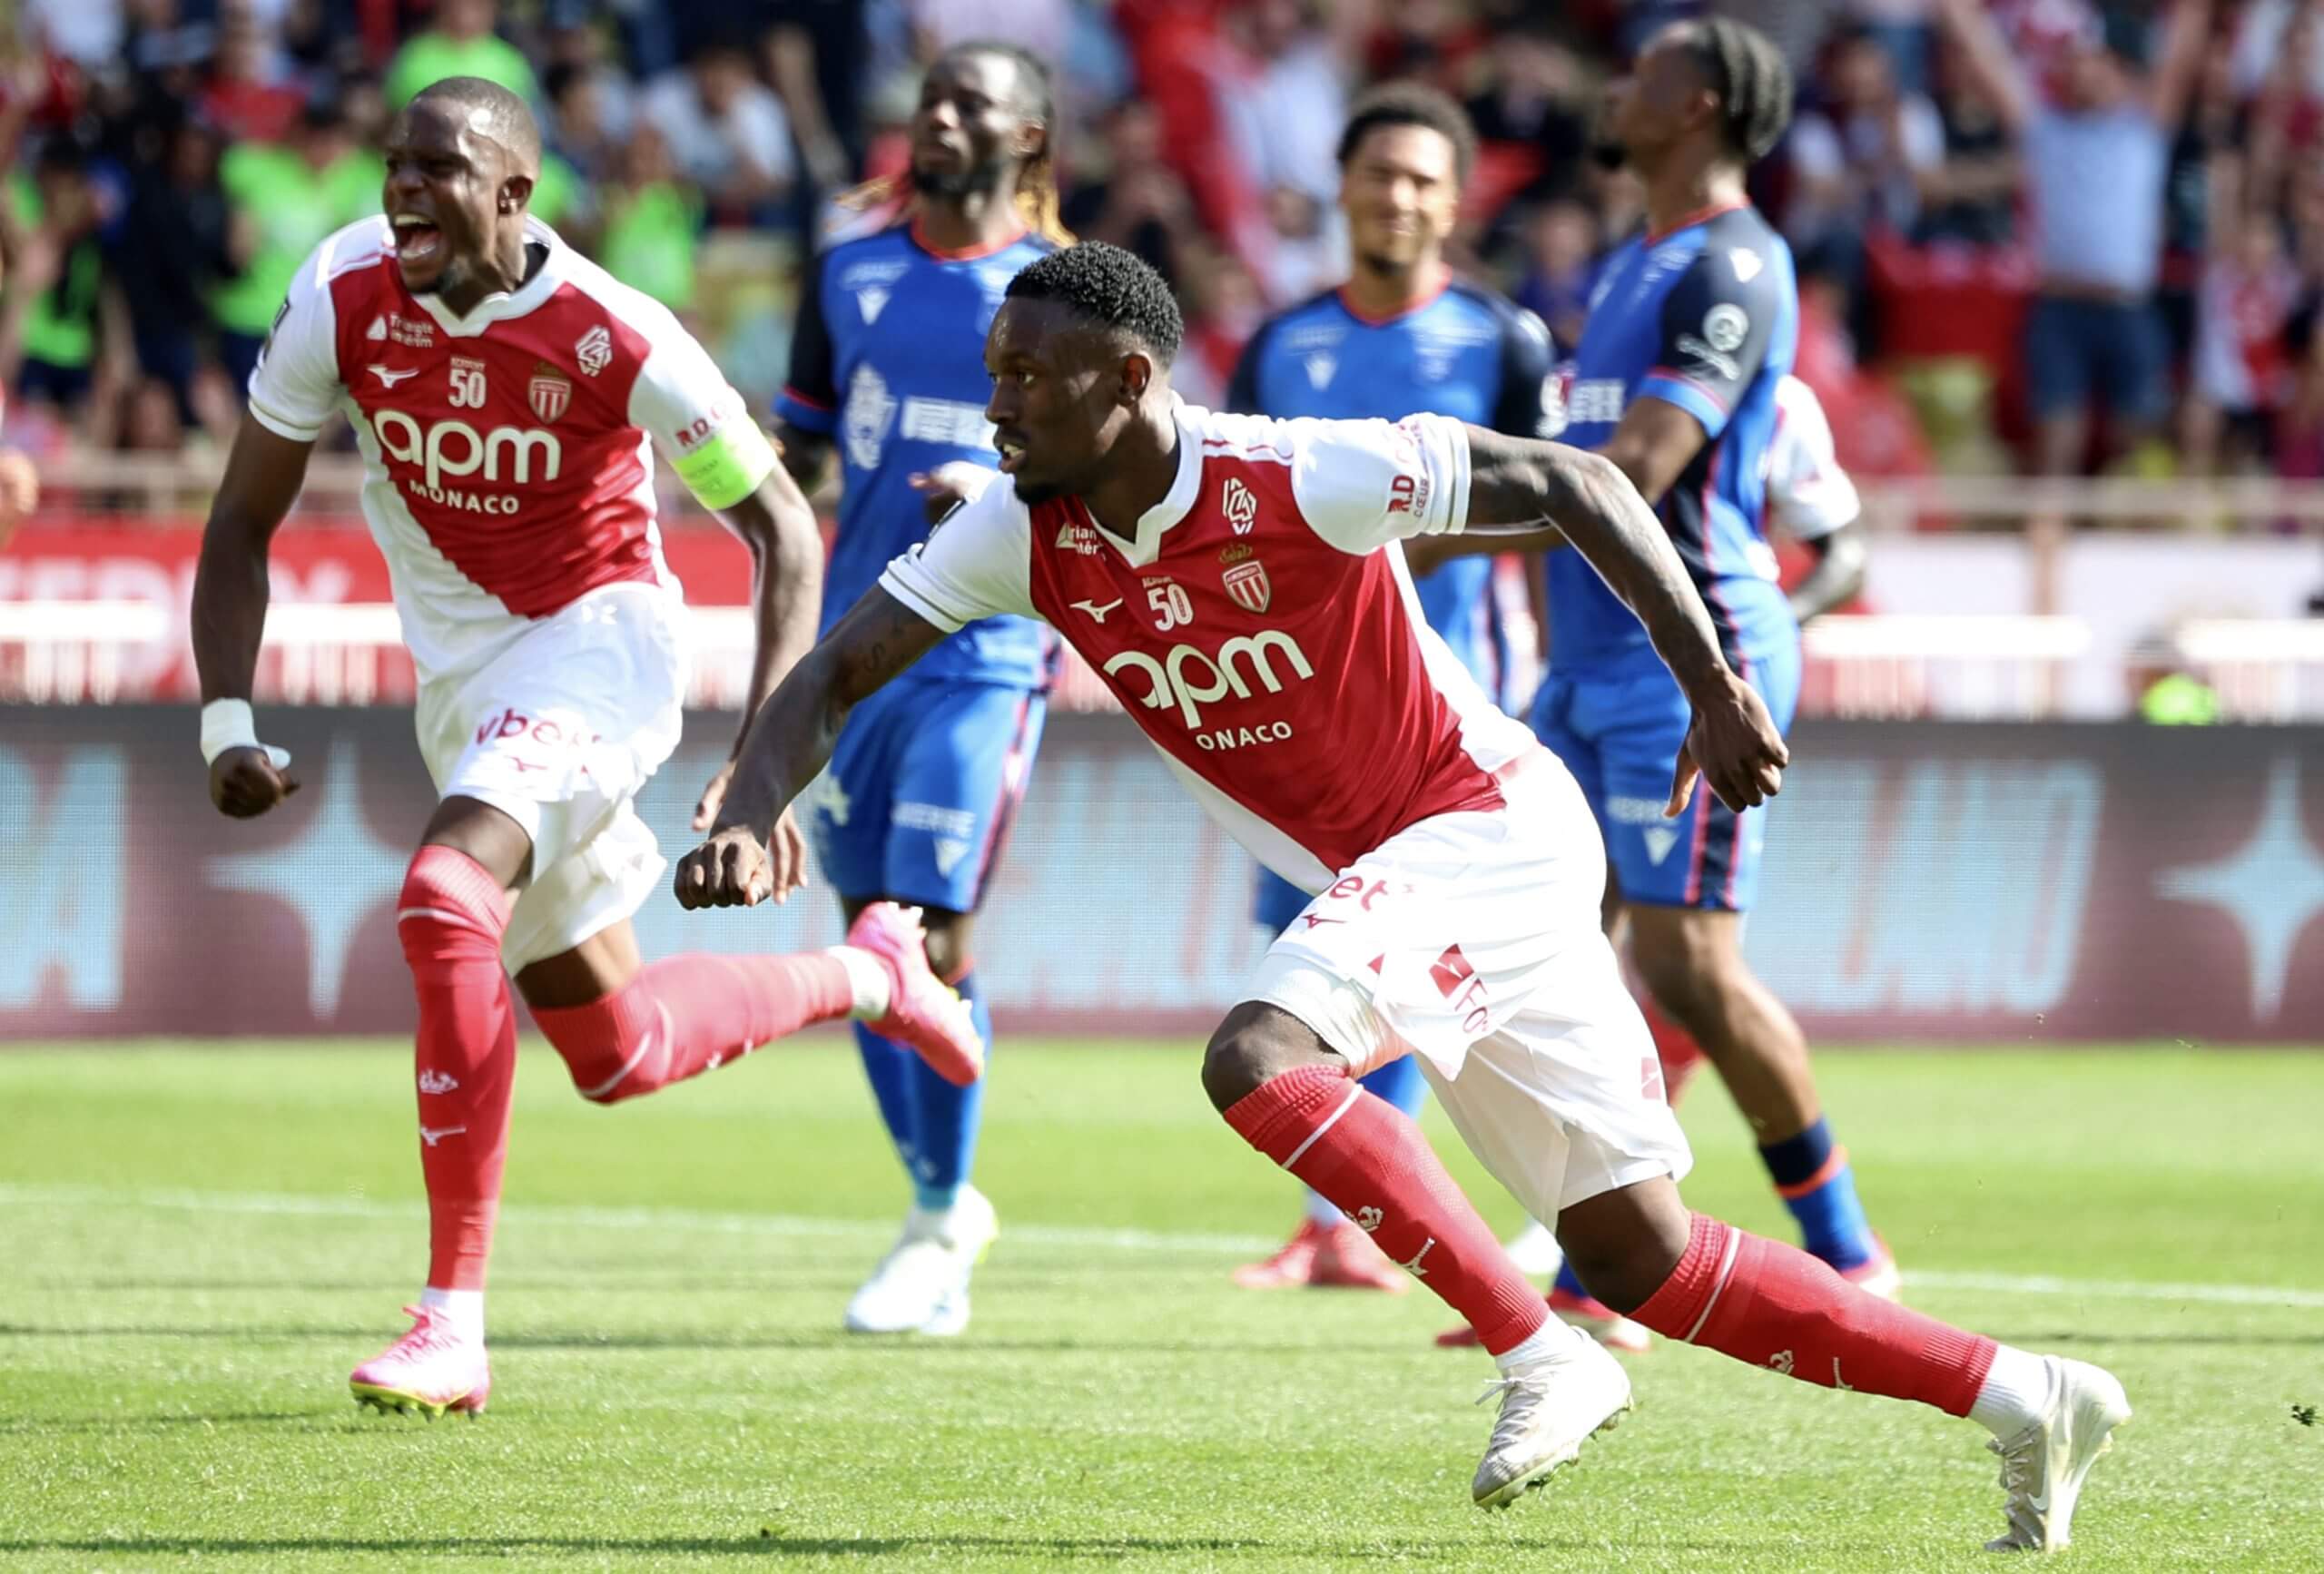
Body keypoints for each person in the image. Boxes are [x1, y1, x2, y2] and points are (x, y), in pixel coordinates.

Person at [675, 240, 2128, 1546]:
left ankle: (1535, 1350)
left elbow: (1583, 482)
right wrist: (749, 799)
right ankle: (2027, 1396)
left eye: (1025, 378)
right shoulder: (1022, 529)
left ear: (1129, 380)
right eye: (995, 374)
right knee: (1645, 1258)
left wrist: (1713, 683)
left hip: (1480, 829)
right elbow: (840, 666)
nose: (995, 406)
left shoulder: (1297, 473)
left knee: (1258, 1056)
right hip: (1418, 873)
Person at [189, 78, 980, 1421]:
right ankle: (870, 969)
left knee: (445, 898)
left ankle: (451, 1320)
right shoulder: (342, 291)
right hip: (466, 687)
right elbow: (239, 521)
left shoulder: (615, 332)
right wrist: (226, 717)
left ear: (513, 193)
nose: (403, 192)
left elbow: (784, 527)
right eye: (395, 166)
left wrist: (760, 767)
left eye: (439, 170)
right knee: (616, 1050)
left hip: (600, 646)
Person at [1417, 18, 1897, 1355]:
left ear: (1701, 103)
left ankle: (1855, 1249)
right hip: (1585, 660)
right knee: (1558, 947)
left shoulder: (1736, 260)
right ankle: (1600, 1268)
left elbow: (1630, 466)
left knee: (1691, 960)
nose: (1618, 88)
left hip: (1691, 659)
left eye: (1645, 73)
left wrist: (1423, 528)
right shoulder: (1638, 260)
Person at [1222, 83, 1556, 1295]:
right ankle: (1335, 1219)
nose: (1398, 197)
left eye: (1422, 180)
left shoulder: (1503, 342)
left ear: (1453, 204)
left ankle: (1380, 1219)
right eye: (1379, 175)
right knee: (1301, 951)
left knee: (1405, 961)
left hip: (1437, 711)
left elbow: (1553, 507)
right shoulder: (1285, 341)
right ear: (1345, 188)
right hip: (1296, 703)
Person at [768, 42, 1069, 1338]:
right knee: (866, 945)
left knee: (929, 935)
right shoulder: (847, 271)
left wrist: (1003, 496)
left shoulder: (1065, 293)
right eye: (932, 98)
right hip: (853, 646)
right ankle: (937, 1200)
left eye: (974, 103)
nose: (942, 118)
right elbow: (800, 454)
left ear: (1031, 137)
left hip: (987, 649)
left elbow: (1119, 470)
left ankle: (942, 1221)